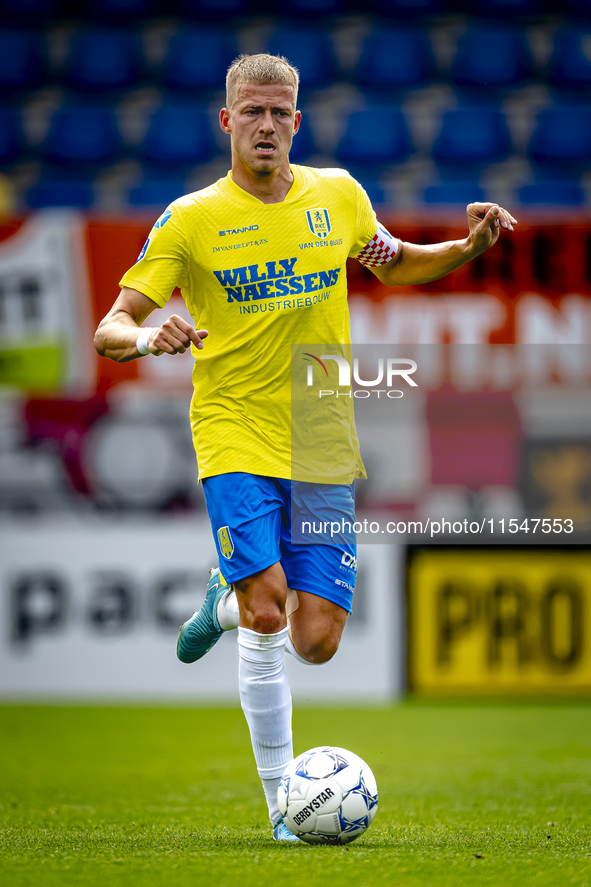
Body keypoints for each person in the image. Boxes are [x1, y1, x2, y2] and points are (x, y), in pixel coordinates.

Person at [94, 53, 516, 842]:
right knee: (268, 612)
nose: (265, 125)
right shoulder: (189, 219)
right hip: (233, 431)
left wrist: (464, 248)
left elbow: (392, 264)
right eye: (250, 112)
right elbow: (109, 328)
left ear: (298, 120)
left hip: (322, 437)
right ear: (226, 122)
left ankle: (217, 602)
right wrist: (151, 336)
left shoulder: (338, 194)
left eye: (279, 112)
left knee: (314, 637)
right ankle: (281, 810)